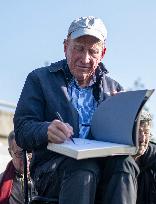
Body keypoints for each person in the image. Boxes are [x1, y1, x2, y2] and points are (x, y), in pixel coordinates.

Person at [14, 16, 139, 204]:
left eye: (93, 51)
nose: (85, 58)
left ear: (102, 53)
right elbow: (22, 129)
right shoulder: (39, 79)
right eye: (79, 48)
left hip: (103, 170)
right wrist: (45, 130)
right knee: (84, 166)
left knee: (126, 165)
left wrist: (126, 119)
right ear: (66, 47)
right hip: (53, 171)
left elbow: (130, 144)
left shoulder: (114, 89)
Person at [0, 131, 32, 204]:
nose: (26, 159)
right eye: (20, 153)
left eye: (29, 151)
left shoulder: (45, 177)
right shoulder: (1, 181)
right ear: (10, 153)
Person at [133, 110, 156, 204]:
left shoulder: (154, 158)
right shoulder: (114, 162)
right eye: (138, 132)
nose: (143, 139)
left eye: (146, 133)